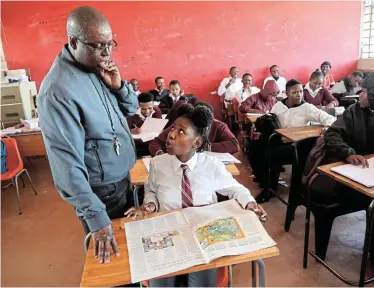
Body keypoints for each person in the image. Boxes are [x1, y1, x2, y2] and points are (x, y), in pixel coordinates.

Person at [37, 6, 137, 264]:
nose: (106, 53)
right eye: (98, 46)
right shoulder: (59, 90)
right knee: (116, 265)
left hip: (123, 180)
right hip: (101, 193)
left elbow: (131, 110)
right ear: (73, 41)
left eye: (110, 44)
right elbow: (66, 165)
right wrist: (95, 217)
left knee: (133, 257)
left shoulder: (96, 67)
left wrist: (119, 87)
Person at [125, 104, 266, 287]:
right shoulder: (158, 164)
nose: (172, 134)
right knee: (161, 282)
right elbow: (151, 191)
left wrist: (250, 204)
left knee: (202, 282)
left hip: (203, 233)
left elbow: (235, 189)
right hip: (169, 234)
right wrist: (149, 205)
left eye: (181, 131)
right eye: (173, 128)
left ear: (197, 143)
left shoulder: (211, 165)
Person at [149, 102, 240, 156]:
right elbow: (155, 142)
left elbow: (234, 145)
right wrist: (160, 154)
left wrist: (206, 147)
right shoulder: (181, 125)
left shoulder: (219, 126)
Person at [271, 79, 336, 128]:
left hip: (300, 142)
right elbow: (269, 121)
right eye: (294, 92)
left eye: (301, 91)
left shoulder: (307, 108)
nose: (299, 95)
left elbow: (330, 119)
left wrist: (327, 127)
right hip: (279, 141)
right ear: (287, 94)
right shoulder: (277, 106)